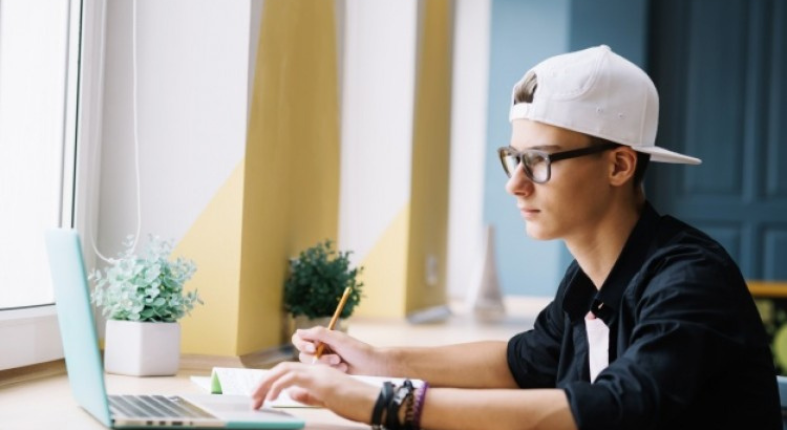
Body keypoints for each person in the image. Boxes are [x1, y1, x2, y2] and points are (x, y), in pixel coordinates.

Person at [251, 45, 782, 429]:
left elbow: (618, 408)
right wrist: (375, 361)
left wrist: (384, 404)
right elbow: (522, 362)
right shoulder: (591, 278)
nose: (514, 183)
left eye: (540, 161)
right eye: (514, 157)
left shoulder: (689, 280)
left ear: (619, 165)